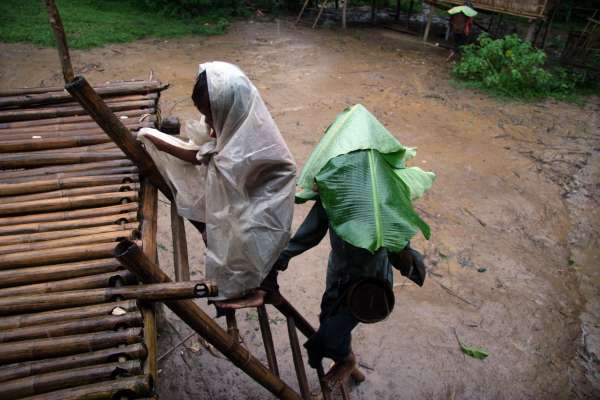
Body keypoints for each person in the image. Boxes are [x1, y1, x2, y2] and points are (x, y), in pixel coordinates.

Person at [138, 61, 296, 305]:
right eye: (207, 118)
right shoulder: (241, 114)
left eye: (212, 117)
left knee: (247, 241)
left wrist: (155, 139)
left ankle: (258, 292)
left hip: (265, 208)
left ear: (227, 109)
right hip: (251, 200)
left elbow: (201, 157)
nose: (210, 127)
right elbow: (207, 152)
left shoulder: (247, 147)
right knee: (232, 235)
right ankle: (254, 286)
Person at [257, 195, 426, 387]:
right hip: (338, 273)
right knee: (327, 318)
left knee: (329, 337)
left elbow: (404, 261)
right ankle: (342, 355)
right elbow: (307, 235)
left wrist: (397, 242)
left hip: (369, 287)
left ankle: (346, 359)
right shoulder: (335, 186)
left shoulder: (386, 194)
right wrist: (277, 261)